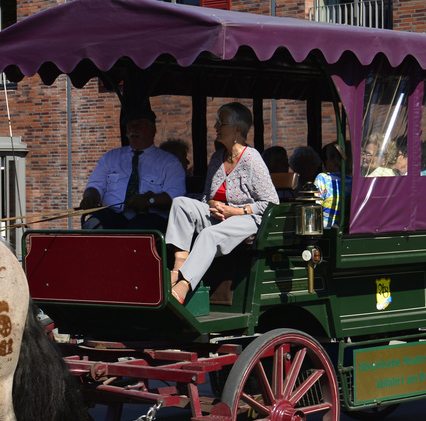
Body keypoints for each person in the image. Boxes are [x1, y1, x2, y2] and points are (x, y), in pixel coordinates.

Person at [166, 102, 278, 304]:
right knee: (180, 203)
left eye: (221, 122)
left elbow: (271, 203)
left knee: (209, 234)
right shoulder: (217, 158)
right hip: (220, 217)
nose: (216, 126)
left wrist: (235, 211)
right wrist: (212, 204)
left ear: (237, 129)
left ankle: (184, 284)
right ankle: (178, 266)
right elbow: (205, 196)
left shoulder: (252, 159)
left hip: (248, 221)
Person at [79, 104, 187, 230]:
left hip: (148, 218)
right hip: (112, 215)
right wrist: (90, 197)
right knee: (92, 225)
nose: (133, 130)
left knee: (140, 231)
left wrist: (149, 200)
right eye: (130, 126)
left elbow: (175, 196)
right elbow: (95, 186)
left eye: (139, 125)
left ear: (153, 130)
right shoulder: (110, 158)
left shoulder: (169, 162)